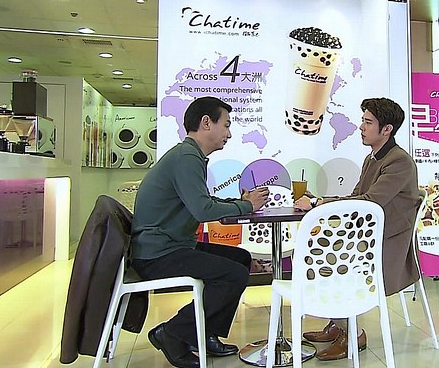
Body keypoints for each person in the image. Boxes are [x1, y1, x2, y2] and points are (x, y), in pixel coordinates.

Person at [131, 96, 269, 368]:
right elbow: (203, 210)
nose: (229, 134)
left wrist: (240, 203)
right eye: (226, 125)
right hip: (158, 254)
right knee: (234, 274)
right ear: (206, 123)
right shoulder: (187, 158)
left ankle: (203, 334)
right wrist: (246, 205)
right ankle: (172, 332)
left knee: (240, 258)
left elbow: (202, 202)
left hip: (169, 245)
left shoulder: (189, 156)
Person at [294, 97, 421, 361]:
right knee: (316, 248)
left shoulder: (399, 162)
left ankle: (353, 333)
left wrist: (318, 203)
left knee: (327, 257)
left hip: (387, 243)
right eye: (363, 121)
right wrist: (322, 202)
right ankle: (338, 323)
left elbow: (369, 202)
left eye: (368, 122)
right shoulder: (372, 158)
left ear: (387, 129)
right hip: (369, 236)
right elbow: (356, 197)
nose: (361, 127)